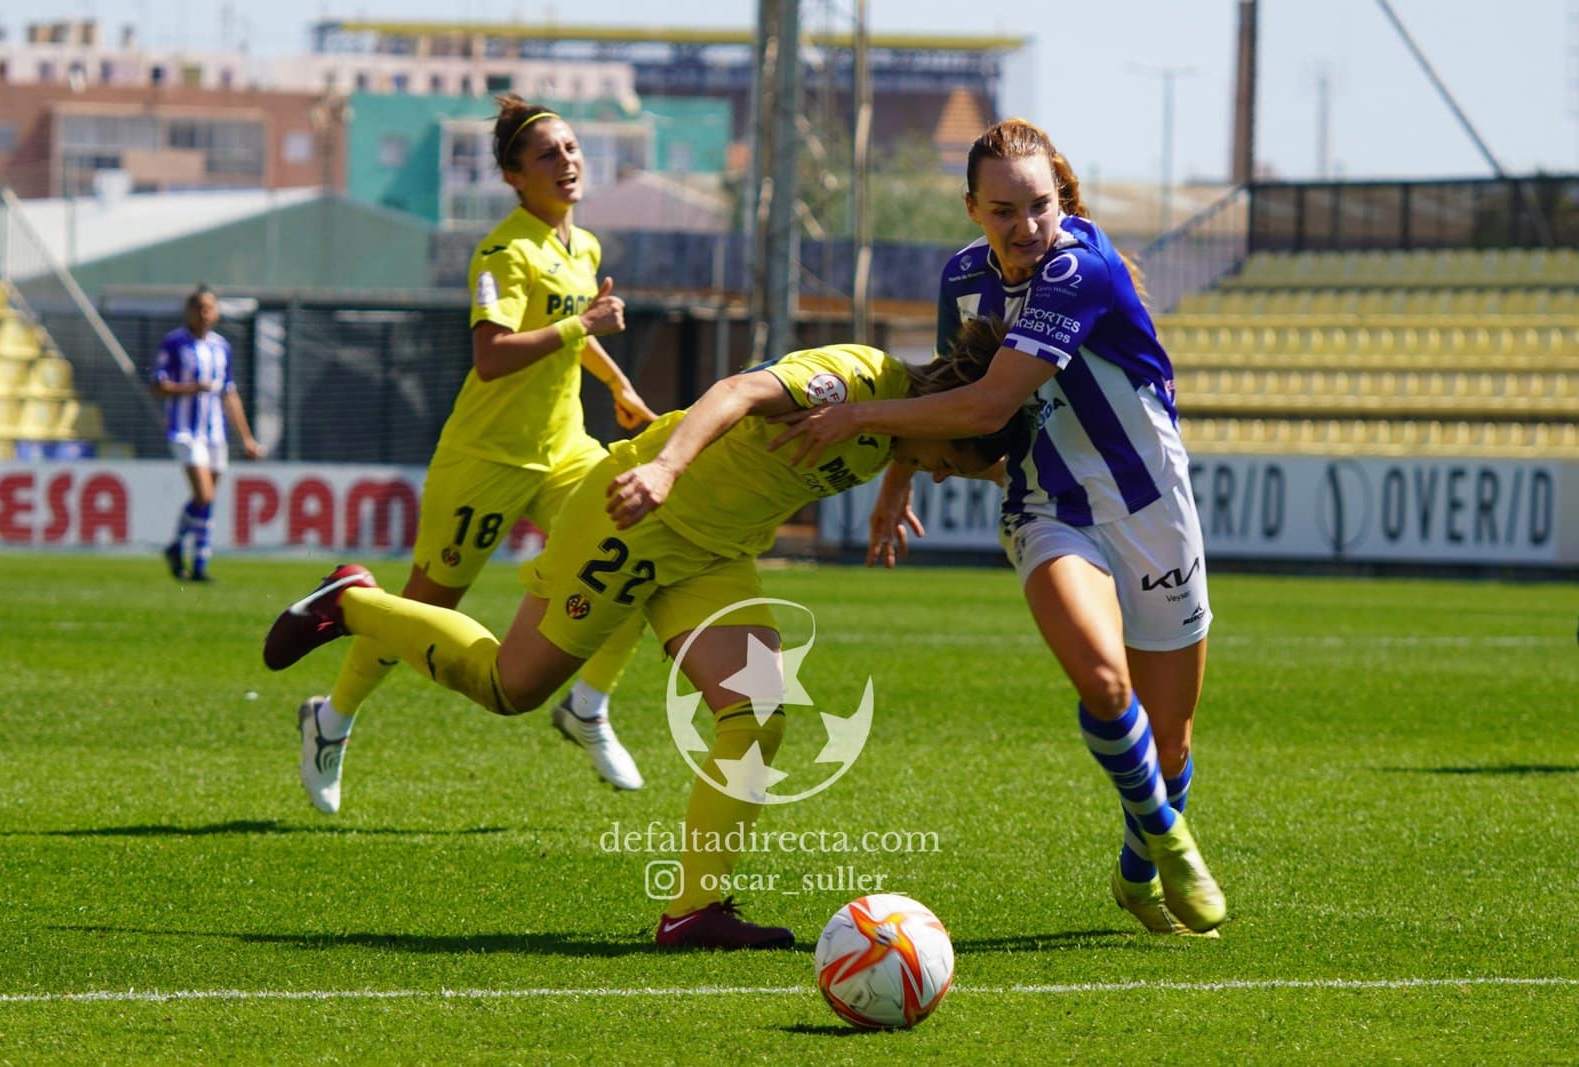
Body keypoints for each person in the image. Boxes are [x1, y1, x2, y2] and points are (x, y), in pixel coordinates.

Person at [264, 325, 1025, 949]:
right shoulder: (856, 380)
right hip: (638, 516)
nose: (940, 473)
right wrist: (664, 467)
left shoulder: (894, 431)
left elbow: (931, 449)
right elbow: (738, 391)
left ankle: (695, 911)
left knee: (758, 713)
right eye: (947, 464)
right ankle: (355, 601)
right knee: (510, 687)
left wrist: (903, 484)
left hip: (711, 552)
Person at [768, 118, 1227, 936]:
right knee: (1101, 677)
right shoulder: (963, 277)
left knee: (1173, 742)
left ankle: (1134, 875)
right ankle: (1167, 836)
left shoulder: (1080, 267)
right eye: (1005, 211)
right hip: (1046, 506)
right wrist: (897, 476)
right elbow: (955, 379)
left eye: (1040, 207)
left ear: (1060, 197)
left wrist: (859, 419)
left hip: (1151, 505)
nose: (1026, 228)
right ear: (974, 207)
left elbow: (987, 403)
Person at [293, 96, 660, 815]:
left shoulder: (581, 247)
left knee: (641, 543)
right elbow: (491, 357)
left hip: (562, 450)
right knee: (425, 610)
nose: (567, 162)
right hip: (486, 458)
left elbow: (573, 336)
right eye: (548, 154)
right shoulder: (503, 251)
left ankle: (587, 704)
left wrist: (621, 386)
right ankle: (329, 719)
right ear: (513, 177)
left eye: (572, 148)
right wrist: (582, 323)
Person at [150, 284, 263, 583]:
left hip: (215, 433)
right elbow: (158, 385)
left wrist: (247, 438)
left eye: (209, 308)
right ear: (189, 311)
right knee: (204, 494)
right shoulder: (174, 343)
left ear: (216, 312)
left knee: (206, 500)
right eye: (198, 308)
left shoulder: (221, 347)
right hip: (185, 430)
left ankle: (185, 554)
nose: (204, 313)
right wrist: (191, 388)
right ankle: (196, 559)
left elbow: (230, 395)